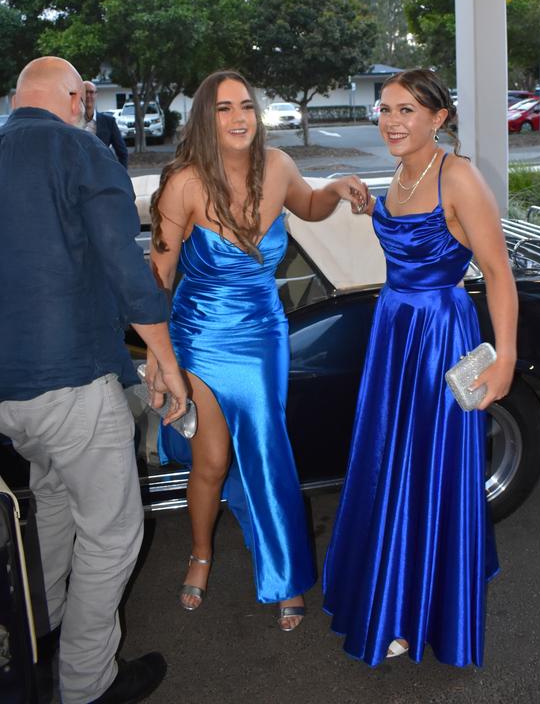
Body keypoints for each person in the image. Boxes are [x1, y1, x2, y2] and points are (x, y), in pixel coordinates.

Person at [148, 70, 368, 626]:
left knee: (270, 454)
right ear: (205, 118)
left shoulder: (279, 168)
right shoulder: (185, 183)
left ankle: (284, 571)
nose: (239, 117)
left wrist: (338, 183)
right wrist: (159, 358)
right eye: (224, 108)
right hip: (199, 335)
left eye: (246, 105)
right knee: (214, 460)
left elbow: (312, 207)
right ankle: (201, 554)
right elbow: (158, 276)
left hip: (261, 334)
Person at [0, 57, 188, 704]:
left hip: (9, 400)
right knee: (112, 533)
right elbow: (125, 267)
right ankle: (87, 683)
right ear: (77, 97)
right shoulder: (79, 154)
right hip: (71, 382)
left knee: (52, 500)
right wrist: (163, 357)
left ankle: (39, 633)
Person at [323, 68, 518, 667]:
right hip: (394, 333)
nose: (391, 122)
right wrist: (342, 186)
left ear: (439, 117)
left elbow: (499, 272)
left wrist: (505, 358)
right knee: (389, 467)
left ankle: (420, 610)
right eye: (384, 109)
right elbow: (401, 238)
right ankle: (394, 601)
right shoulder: (403, 173)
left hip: (437, 334)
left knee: (427, 472)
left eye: (406, 110)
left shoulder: (458, 176)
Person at [83, 79, 129, 168]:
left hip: (102, 173)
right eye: (85, 92)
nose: (88, 95)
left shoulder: (109, 122)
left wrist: (122, 177)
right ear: (80, 95)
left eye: (91, 92)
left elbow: (122, 153)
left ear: (96, 95)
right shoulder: (70, 122)